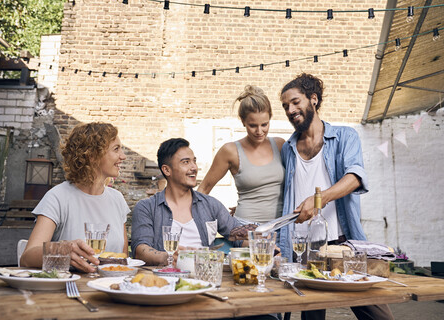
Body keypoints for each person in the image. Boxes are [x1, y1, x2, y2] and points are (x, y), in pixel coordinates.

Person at [279, 73, 393, 320]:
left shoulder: (344, 136)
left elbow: (355, 177)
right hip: (303, 251)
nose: (290, 109)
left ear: (314, 99)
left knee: (377, 313)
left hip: (343, 247)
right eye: (285, 106)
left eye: (296, 102)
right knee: (311, 316)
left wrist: (318, 200)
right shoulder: (287, 149)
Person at [20, 122, 130, 273]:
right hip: (69, 288)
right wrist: (63, 250)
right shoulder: (58, 197)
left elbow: (123, 259)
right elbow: (27, 257)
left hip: (109, 287)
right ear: (92, 156)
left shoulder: (117, 199)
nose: (123, 156)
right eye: (116, 149)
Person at [131, 138, 243, 266]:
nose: (194, 167)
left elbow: (239, 236)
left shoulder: (211, 205)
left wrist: (262, 239)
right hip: (165, 279)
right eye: (186, 162)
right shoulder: (147, 207)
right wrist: (168, 257)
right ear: (167, 170)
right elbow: (140, 250)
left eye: (194, 161)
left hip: (204, 278)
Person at [197, 85, 285, 225]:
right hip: (245, 228)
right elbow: (203, 189)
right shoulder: (230, 151)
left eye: (264, 124)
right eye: (252, 125)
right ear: (243, 121)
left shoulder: (280, 145)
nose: (259, 131)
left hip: (281, 227)